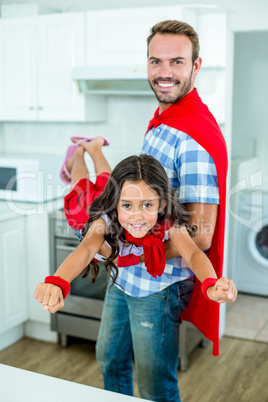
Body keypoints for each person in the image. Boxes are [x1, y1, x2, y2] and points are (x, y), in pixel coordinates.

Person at [93, 20, 237, 402]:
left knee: (156, 386)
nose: (165, 72)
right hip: (123, 276)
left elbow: (202, 235)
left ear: (196, 66)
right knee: (110, 360)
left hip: (157, 286)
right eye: (156, 61)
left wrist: (125, 251)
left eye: (177, 61)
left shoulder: (193, 139)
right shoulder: (161, 123)